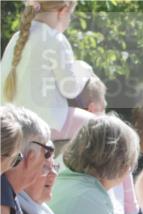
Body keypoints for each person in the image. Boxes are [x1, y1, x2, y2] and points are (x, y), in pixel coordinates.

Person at [3, 105, 86, 214]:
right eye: (46, 152)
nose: (49, 162)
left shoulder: (10, 193)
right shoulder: (3, 187)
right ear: (30, 157)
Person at [1, 0, 94, 141]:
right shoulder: (56, 39)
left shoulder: (16, 38)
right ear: (63, 11)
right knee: (99, 126)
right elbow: (70, 89)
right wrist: (84, 71)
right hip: (43, 124)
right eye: (71, 15)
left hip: (9, 123)